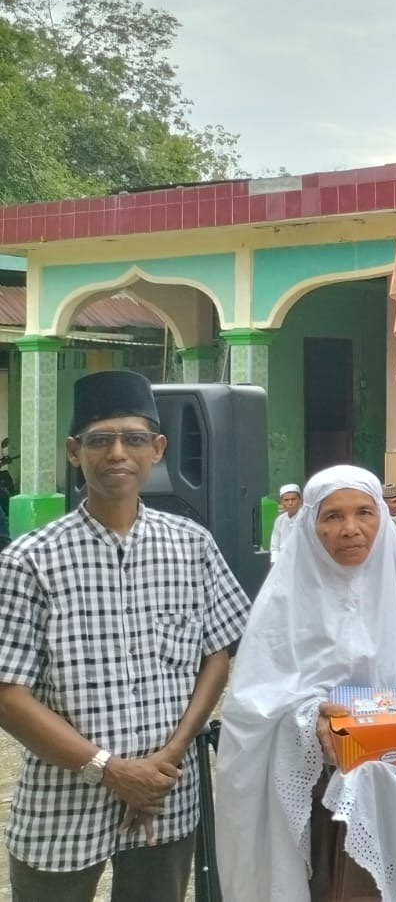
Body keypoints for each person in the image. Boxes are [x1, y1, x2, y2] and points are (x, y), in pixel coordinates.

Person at [0, 370, 250, 902]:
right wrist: (110, 770)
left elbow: (218, 652)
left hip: (165, 794)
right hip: (62, 798)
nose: (118, 453)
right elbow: (8, 693)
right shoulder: (30, 561)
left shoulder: (192, 546)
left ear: (157, 449)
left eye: (134, 439)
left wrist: (172, 754)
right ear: (74, 451)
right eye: (100, 440)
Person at [216, 466, 396, 902]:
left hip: (394, 793)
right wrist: (309, 717)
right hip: (311, 796)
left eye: (364, 512)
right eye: (332, 516)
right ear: (311, 525)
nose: (350, 529)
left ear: (383, 519)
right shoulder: (283, 602)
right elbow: (251, 707)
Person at [270, 482, 302, 563]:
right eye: (286, 500)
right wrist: (274, 563)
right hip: (283, 562)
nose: (290, 503)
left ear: (300, 500)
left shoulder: (306, 518)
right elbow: (275, 546)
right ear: (281, 502)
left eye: (293, 499)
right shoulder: (279, 521)